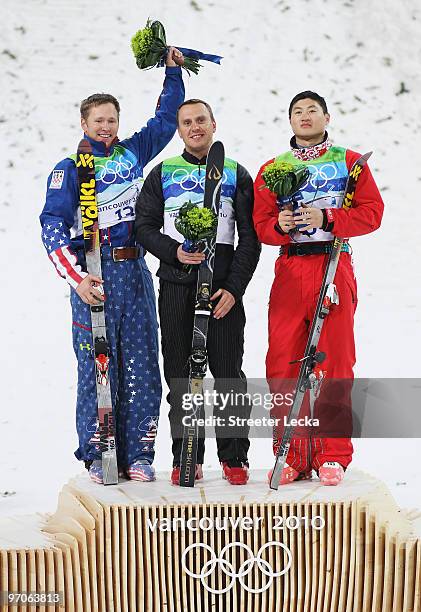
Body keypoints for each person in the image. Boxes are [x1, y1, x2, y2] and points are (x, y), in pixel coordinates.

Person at [40, 48, 185, 484]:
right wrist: (77, 278)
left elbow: (165, 121)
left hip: (134, 270)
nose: (105, 126)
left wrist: (174, 72)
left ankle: (139, 453)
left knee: (142, 363)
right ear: (84, 124)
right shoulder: (70, 169)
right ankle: (99, 453)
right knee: (97, 366)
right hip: (94, 274)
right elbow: (50, 225)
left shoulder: (132, 153)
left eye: (111, 119)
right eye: (97, 120)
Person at [253, 91, 384, 486]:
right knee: (283, 360)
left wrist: (327, 216)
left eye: (313, 110)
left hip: (334, 263)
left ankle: (332, 454)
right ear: (289, 121)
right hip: (292, 268)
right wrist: (283, 224)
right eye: (298, 111)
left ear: (327, 116)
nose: (305, 116)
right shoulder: (273, 168)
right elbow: (260, 225)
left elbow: (372, 213)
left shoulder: (348, 162)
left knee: (336, 361)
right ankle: (290, 452)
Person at [135, 99, 261, 486]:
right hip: (176, 286)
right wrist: (175, 252)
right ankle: (186, 456)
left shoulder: (236, 174)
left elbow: (250, 239)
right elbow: (143, 227)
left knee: (227, 376)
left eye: (200, 120)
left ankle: (234, 457)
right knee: (181, 377)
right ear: (179, 129)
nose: (194, 127)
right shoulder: (162, 173)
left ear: (213, 124)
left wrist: (233, 289)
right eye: (186, 122)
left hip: (221, 292)